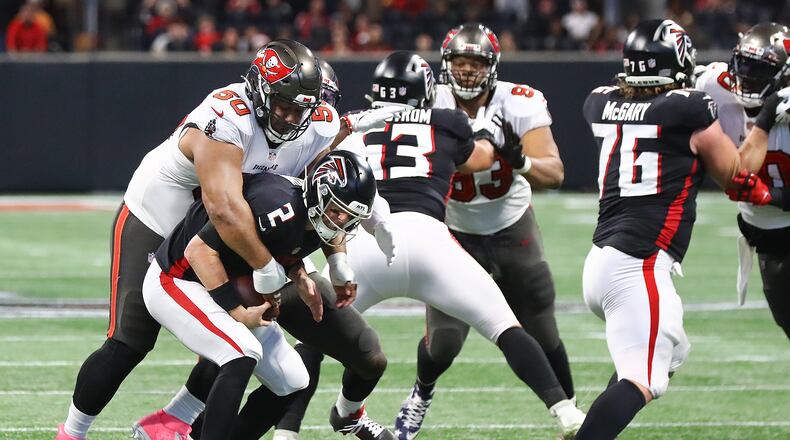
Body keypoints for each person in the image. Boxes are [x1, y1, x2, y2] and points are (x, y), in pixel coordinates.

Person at [56, 40, 397, 440]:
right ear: (257, 91)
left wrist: (329, 261)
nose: (289, 118)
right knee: (130, 340)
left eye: (299, 109)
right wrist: (271, 270)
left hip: (233, 229)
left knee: (240, 332)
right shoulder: (225, 116)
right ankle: (72, 433)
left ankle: (172, 420)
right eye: (281, 105)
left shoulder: (317, 123)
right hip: (164, 214)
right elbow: (223, 208)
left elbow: (321, 194)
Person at [275, 50, 587, 440]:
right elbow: (481, 160)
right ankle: (565, 412)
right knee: (505, 326)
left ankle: (287, 431)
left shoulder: (352, 125)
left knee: (314, 337)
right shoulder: (447, 122)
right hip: (428, 240)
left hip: (365, 239)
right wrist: (486, 138)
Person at [576, 19, 777, 439]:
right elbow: (736, 176)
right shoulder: (688, 108)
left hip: (603, 263)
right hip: (639, 264)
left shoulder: (599, 102)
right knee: (644, 379)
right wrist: (765, 120)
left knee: (672, 352)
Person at [394, 23, 575, 440]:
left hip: (511, 225)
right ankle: (421, 393)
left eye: (476, 63)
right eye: (460, 62)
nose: (468, 72)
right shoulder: (429, 98)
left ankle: (573, 418)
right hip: (452, 231)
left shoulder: (519, 102)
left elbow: (555, 172)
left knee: (542, 329)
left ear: (492, 66)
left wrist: (522, 162)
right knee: (444, 344)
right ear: (445, 65)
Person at [141, 151, 376, 439]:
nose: (340, 222)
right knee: (241, 352)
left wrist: (298, 274)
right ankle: (172, 425)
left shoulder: (316, 219)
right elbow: (199, 251)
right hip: (178, 278)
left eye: (350, 217)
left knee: (293, 380)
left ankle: (177, 426)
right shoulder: (276, 205)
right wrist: (237, 312)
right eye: (337, 210)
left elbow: (278, 246)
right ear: (319, 192)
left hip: (218, 280)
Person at [694, 22, 790, 340]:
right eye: (744, 67)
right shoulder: (715, 86)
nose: (746, 79)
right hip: (767, 242)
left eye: (758, 71)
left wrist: (771, 196)